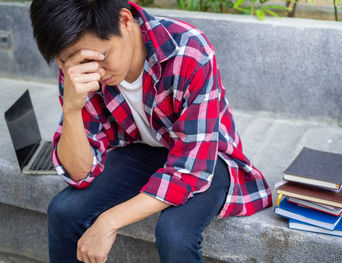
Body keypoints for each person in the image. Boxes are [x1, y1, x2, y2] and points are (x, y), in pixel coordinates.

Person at [30, 1, 272, 262]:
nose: (96, 75)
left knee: (175, 234)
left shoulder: (189, 50)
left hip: (208, 157)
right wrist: (71, 110)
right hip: (144, 150)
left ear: (124, 21)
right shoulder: (79, 67)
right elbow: (79, 172)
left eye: (100, 59)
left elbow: (190, 170)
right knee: (63, 211)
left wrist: (108, 221)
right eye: (74, 63)